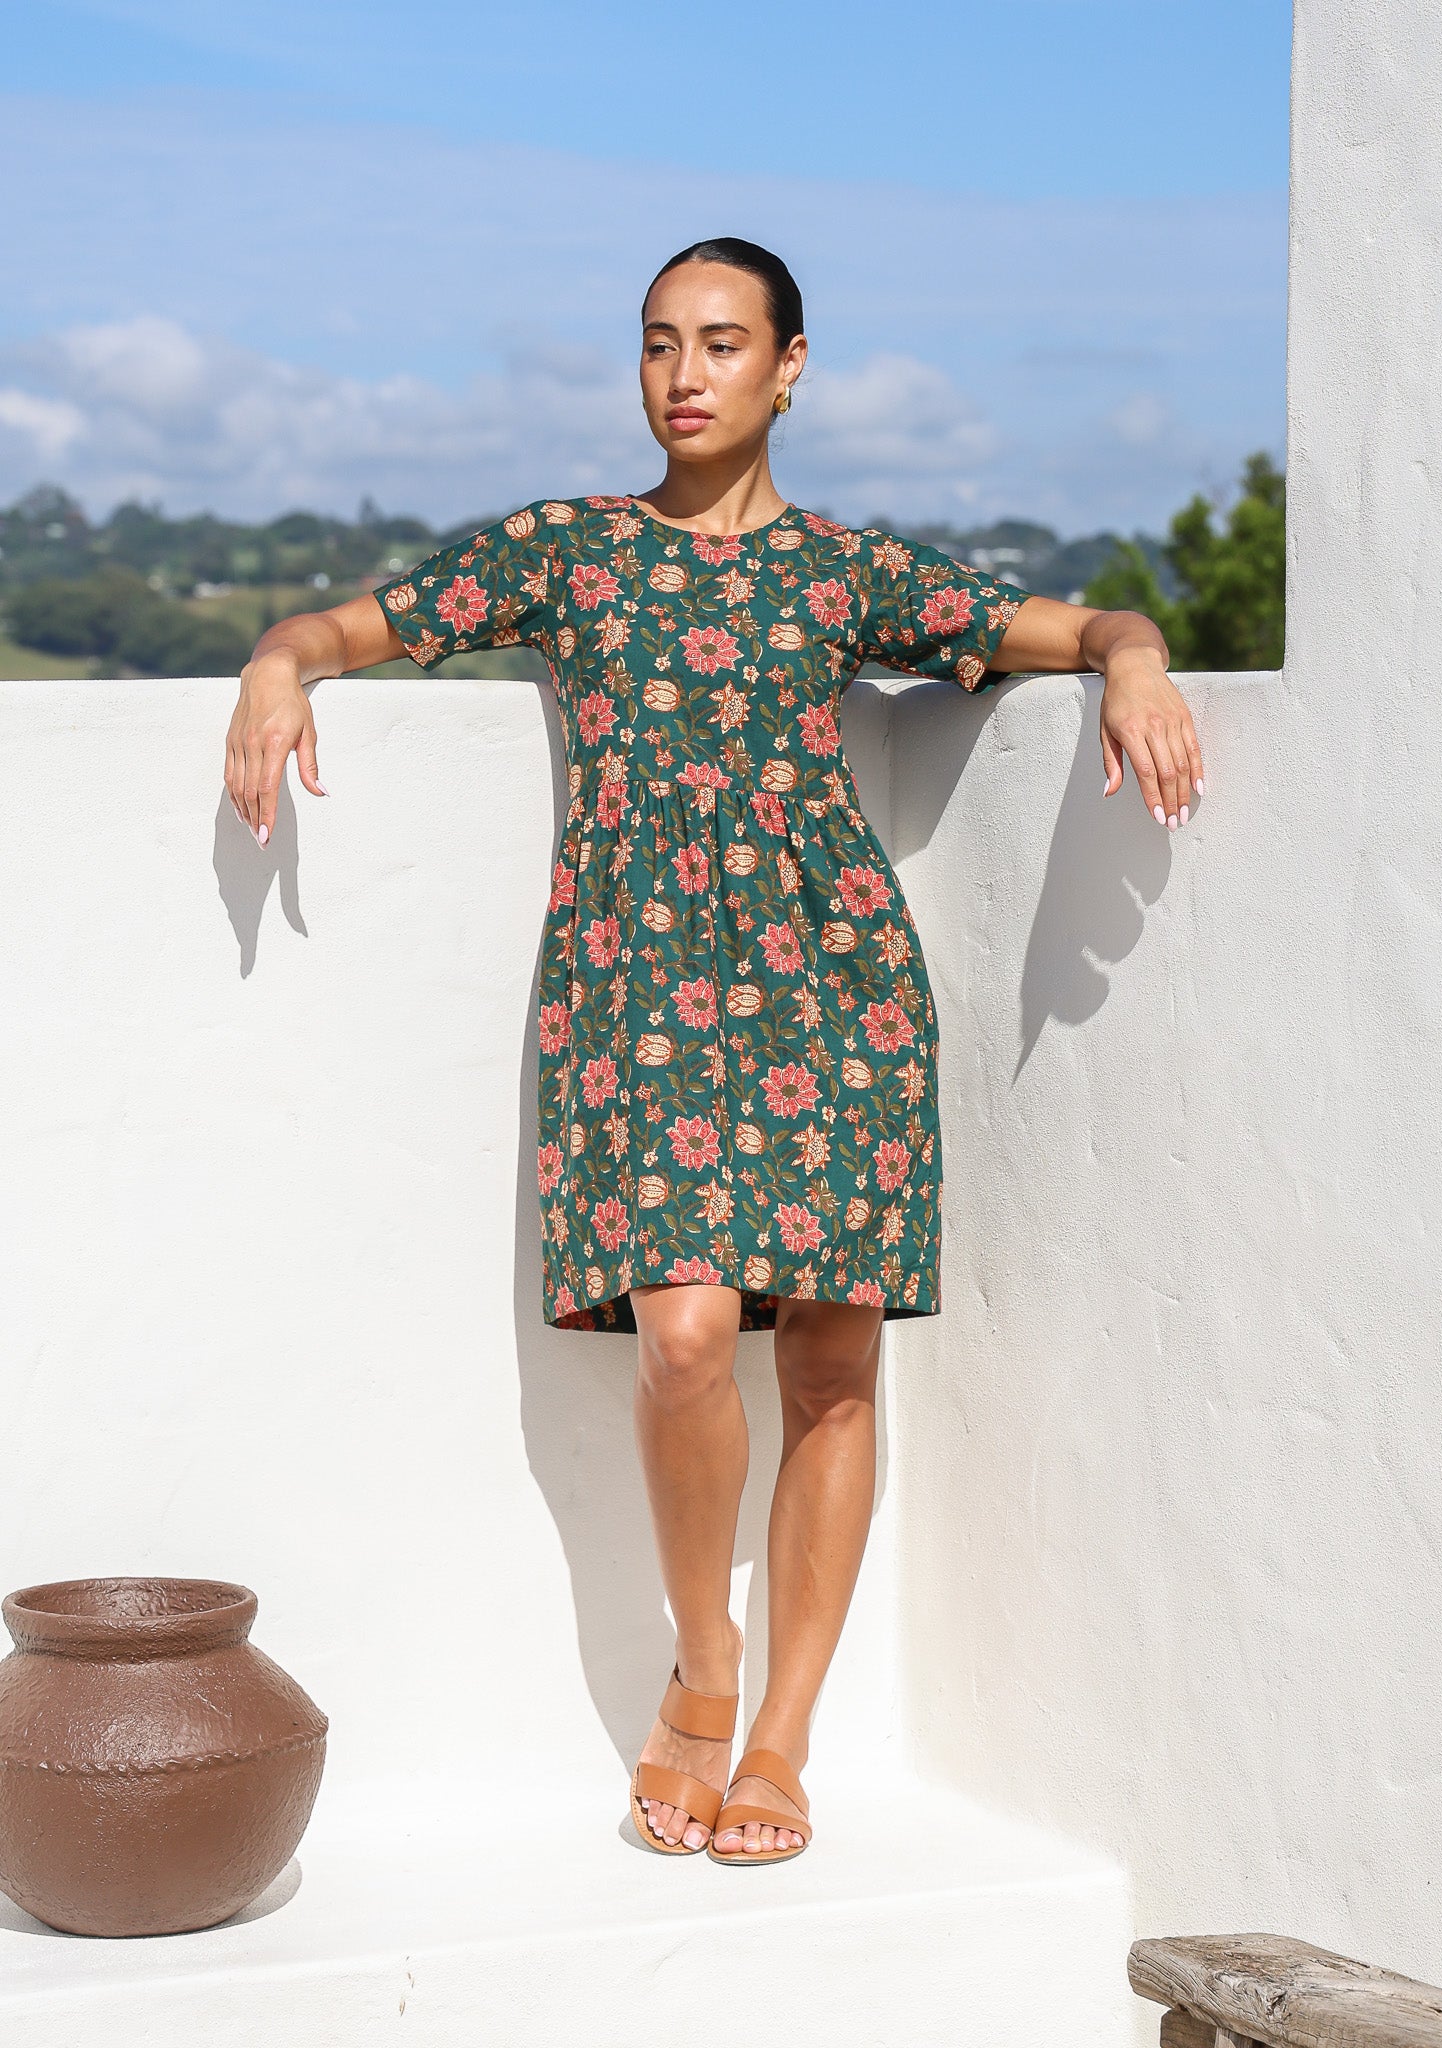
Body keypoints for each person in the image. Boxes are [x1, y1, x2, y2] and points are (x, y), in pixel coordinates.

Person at [224, 236, 1205, 1866]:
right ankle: (705, 1670)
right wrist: (274, 663)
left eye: (725, 344)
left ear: (790, 368)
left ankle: (784, 1740)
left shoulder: (845, 576)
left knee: (831, 1363)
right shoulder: (566, 550)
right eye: (662, 343)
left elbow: (1083, 619)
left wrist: (1140, 659)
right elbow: (351, 627)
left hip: (837, 993)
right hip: (634, 996)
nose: (686, 374)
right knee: (684, 1336)